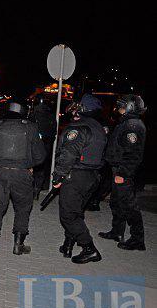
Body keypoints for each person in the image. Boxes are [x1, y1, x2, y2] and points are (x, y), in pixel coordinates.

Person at [0, 101, 46, 255]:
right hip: (22, 174)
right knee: (22, 209)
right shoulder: (31, 127)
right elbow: (41, 155)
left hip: (0, 173)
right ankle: (18, 244)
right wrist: (30, 164)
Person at [52, 94, 107, 264]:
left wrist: (58, 176)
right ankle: (68, 245)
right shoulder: (98, 127)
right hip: (92, 177)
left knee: (68, 215)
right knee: (76, 212)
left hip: (76, 176)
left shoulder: (79, 128)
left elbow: (68, 154)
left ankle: (89, 248)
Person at [99, 95, 147, 251]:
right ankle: (117, 232)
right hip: (117, 169)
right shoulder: (126, 122)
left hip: (123, 172)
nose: (119, 108)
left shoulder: (133, 126)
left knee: (129, 206)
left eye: (123, 105)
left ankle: (137, 239)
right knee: (116, 203)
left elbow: (133, 155)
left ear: (131, 107)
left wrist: (123, 173)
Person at [29, 94, 57, 199]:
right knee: (41, 169)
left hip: (34, 145)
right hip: (46, 146)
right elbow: (54, 132)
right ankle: (36, 190)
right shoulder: (51, 115)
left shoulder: (34, 114)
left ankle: (32, 190)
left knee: (31, 167)